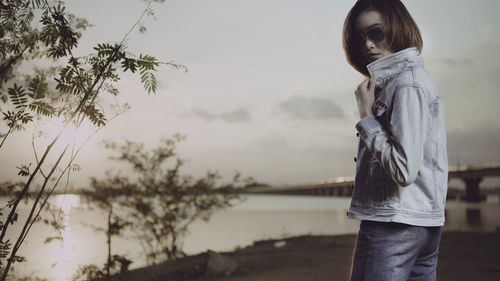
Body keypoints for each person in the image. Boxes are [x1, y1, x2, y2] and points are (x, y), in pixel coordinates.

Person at [342, 0, 448, 280]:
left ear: (398, 28)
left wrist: (366, 118)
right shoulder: (399, 82)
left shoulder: (405, 84)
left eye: (376, 33)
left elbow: (404, 170)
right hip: (414, 220)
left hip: (395, 223)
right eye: (359, 38)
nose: (367, 45)